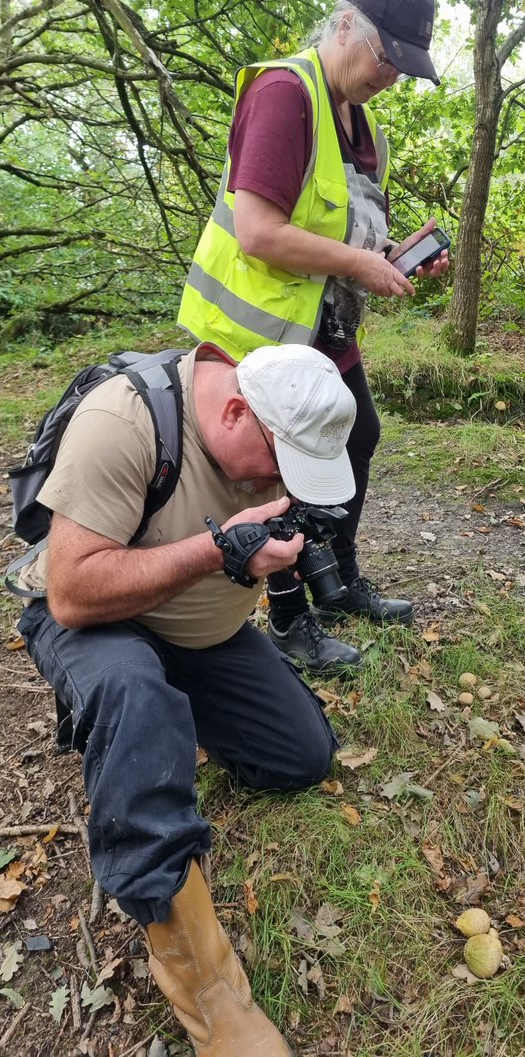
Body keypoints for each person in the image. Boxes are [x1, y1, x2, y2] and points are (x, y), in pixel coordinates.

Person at [15, 342, 359, 1057]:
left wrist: (274, 550)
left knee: (300, 757)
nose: (280, 481)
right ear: (234, 411)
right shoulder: (127, 424)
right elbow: (73, 594)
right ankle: (208, 992)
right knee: (135, 695)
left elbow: (259, 519)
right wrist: (216, 550)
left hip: (198, 629)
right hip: (97, 620)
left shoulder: (263, 432)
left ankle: (164, 713)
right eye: (279, 464)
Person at [178, 0, 449, 673]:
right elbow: (260, 231)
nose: (389, 77)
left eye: (403, 69)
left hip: (322, 332)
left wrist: (390, 254)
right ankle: (291, 623)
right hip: (253, 337)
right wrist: (359, 265)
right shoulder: (282, 95)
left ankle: (338, 585)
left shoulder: (366, 131)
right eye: (385, 58)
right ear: (344, 25)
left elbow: (342, 232)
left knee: (357, 436)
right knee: (279, 476)